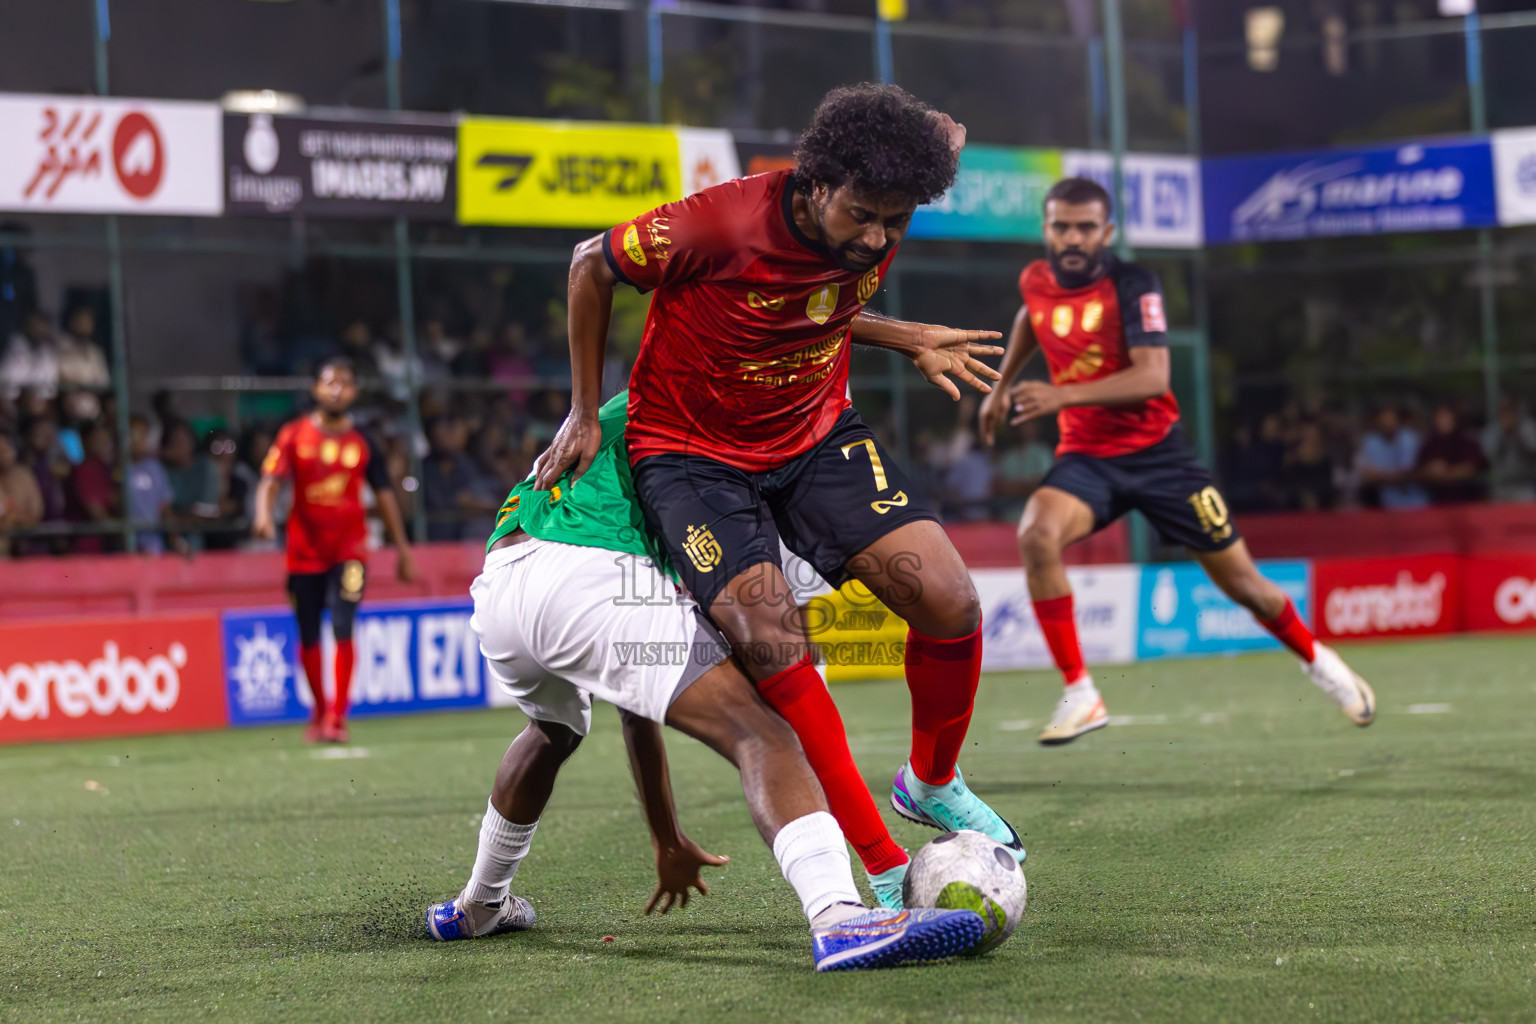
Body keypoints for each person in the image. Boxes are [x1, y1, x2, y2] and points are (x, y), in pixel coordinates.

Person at [535, 83, 1023, 903]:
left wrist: (899, 335)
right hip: (691, 458)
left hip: (812, 432)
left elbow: (935, 145)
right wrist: (585, 412)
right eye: (861, 214)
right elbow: (590, 265)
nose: (875, 238)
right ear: (816, 180)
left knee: (949, 600)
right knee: (776, 641)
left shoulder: (899, 180)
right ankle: (887, 869)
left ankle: (932, 782)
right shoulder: (718, 223)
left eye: (895, 223)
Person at [427, 392, 985, 970]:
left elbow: (634, 703)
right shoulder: (680, 425)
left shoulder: (614, 420)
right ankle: (840, 918)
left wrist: (666, 835)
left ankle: (481, 903)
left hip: (500, 587)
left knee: (552, 732)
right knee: (764, 734)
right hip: (585, 569)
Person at [979, 177, 1376, 746]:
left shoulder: (1134, 284)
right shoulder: (1036, 280)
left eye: (1085, 227)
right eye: (1061, 225)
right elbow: (1030, 317)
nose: (1072, 237)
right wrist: (1001, 387)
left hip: (1162, 460)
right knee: (1036, 534)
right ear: (1046, 228)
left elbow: (1152, 377)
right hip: (1088, 458)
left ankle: (1320, 662)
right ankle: (1081, 693)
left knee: (1246, 587)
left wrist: (1060, 395)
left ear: (1107, 233)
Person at [253, 358, 417, 743]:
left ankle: (337, 718)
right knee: (308, 631)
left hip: (350, 550)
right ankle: (320, 708)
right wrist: (262, 514)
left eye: (345, 383)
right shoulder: (293, 435)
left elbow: (385, 495)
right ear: (315, 390)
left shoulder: (363, 442)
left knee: (343, 623)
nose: (336, 389)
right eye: (329, 382)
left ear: (355, 392)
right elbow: (270, 480)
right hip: (304, 552)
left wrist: (403, 550)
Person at [1356, 406, 1427, 509]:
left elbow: (1406, 474)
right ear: (1377, 421)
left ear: (1398, 421)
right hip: (1386, 504)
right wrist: (1390, 476)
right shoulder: (1370, 442)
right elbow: (1367, 477)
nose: (1388, 424)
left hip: (1415, 502)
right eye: (1384, 421)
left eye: (1391, 420)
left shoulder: (1408, 439)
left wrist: (1381, 476)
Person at [125, 414, 176, 555]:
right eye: (134, 433)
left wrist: (175, 538)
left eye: (143, 434)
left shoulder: (155, 467)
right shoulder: (117, 467)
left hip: (152, 543)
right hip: (124, 543)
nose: (140, 439)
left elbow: (164, 506)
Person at [65, 421, 118, 554]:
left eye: (106, 441)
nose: (105, 445)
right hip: (87, 548)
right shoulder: (84, 471)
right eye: (99, 440)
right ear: (85, 442)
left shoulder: (107, 470)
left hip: (105, 547)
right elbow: (96, 513)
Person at [1483, 396, 1536, 502]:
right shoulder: (1494, 429)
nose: (1507, 415)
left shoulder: (1527, 426)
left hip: (1524, 484)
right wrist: (1504, 433)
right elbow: (1489, 453)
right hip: (1500, 485)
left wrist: (1516, 431)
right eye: (1504, 411)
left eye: (1509, 410)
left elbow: (1533, 448)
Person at [0, 428, 42, 557]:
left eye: (6, 449)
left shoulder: (24, 476)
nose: (4, 454)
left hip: (27, 547)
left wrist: (14, 519)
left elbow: (36, 513)